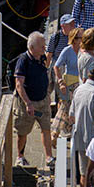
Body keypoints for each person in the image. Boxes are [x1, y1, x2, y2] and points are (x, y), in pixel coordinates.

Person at [14, 31, 54, 168]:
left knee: (46, 128)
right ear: (32, 48)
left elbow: (45, 77)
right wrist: (28, 103)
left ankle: (49, 156)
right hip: (28, 103)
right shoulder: (23, 61)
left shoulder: (41, 58)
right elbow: (19, 84)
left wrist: (47, 94)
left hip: (42, 101)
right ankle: (20, 156)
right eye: (42, 46)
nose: (44, 49)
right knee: (23, 131)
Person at [55, 28, 83, 102]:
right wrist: (61, 82)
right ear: (75, 39)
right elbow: (56, 66)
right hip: (69, 84)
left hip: (81, 83)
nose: (84, 39)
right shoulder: (67, 50)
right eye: (82, 37)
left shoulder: (83, 51)